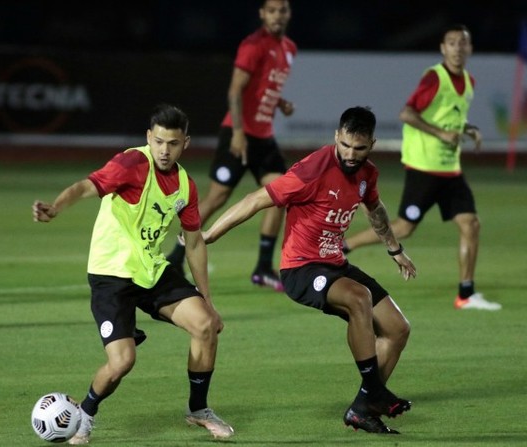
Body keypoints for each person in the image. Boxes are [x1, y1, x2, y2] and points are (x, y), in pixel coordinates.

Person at [203, 107, 414, 434]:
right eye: (345, 145)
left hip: (335, 265)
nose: (350, 154)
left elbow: (375, 209)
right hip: (302, 269)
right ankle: (376, 391)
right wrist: (210, 234)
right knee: (359, 298)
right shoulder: (313, 169)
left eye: (359, 148)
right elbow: (255, 199)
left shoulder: (366, 173)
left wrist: (394, 248)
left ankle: (362, 408)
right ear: (336, 137)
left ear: (371, 144)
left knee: (398, 328)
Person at [32, 104, 234, 445]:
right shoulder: (132, 164)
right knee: (123, 361)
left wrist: (208, 300)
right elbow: (86, 187)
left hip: (151, 270)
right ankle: (86, 414)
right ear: (148, 138)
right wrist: (56, 207)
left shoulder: (185, 185)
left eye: (172, 143)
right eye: (158, 142)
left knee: (205, 324)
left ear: (186, 142)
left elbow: (195, 243)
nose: (164, 151)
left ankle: (198, 410)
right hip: (111, 274)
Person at [342, 24, 501, 311]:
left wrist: (468, 128)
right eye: (451, 43)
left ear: (470, 49)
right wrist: (441, 135)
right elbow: (408, 113)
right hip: (424, 167)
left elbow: (447, 117)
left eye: (463, 43)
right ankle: (343, 247)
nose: (457, 48)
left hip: (450, 169)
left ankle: (466, 294)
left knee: (471, 224)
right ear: (443, 48)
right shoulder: (435, 78)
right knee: (403, 228)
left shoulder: (468, 81)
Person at [166, 0, 297, 292]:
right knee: (217, 197)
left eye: (283, 10)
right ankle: (174, 257)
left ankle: (263, 267)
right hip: (239, 134)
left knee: (280, 195)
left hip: (264, 138)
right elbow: (235, 90)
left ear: (288, 14)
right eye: (272, 10)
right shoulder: (253, 45)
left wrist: (281, 103)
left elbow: (263, 88)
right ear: (262, 13)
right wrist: (238, 132)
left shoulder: (289, 48)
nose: (277, 15)